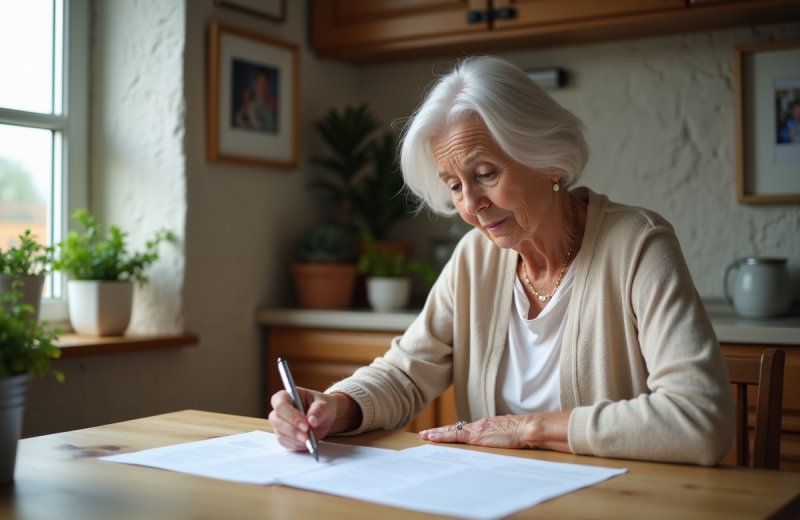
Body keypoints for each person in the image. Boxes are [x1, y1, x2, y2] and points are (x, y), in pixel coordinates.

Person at [270, 56, 734, 465]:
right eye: (454, 185)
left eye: (485, 174)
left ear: (549, 160)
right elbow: (406, 373)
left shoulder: (637, 246)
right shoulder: (475, 258)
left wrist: (529, 429)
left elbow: (700, 418)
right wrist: (335, 405)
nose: (471, 205)